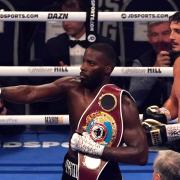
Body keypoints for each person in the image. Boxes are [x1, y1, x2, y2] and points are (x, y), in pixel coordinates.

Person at [0, 43, 148, 179]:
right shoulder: (72, 87)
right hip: (72, 168)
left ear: (107, 69)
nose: (83, 67)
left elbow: (141, 155)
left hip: (104, 172)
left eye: (91, 63)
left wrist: (97, 149)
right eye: (84, 61)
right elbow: (30, 93)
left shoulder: (122, 104)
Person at [29, 0, 121, 115]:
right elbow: (44, 82)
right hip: (62, 107)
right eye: (64, 17)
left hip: (99, 105)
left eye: (71, 17)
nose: (66, 23)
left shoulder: (105, 44)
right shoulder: (52, 45)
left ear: (83, 15)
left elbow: (116, 79)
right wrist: (61, 75)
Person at [142, 12, 180, 150]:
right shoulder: (178, 64)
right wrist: (162, 114)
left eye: (178, 32)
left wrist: (166, 132)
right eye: (171, 31)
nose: (171, 37)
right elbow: (175, 101)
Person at [129, 21, 174, 114]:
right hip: (147, 120)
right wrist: (154, 71)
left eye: (165, 33)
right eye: (154, 34)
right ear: (149, 38)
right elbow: (133, 101)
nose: (160, 39)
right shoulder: (141, 62)